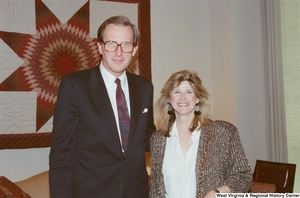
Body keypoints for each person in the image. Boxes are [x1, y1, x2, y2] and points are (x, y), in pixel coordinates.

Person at [49, 15, 156, 198]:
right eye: (112, 43)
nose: (119, 52)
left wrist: (185, 135)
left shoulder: (145, 87)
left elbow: (148, 137)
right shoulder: (74, 85)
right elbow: (61, 153)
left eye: (126, 44)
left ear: (135, 49)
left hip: (136, 192)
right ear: (99, 46)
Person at [149, 70, 252, 198]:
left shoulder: (223, 132)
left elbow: (243, 176)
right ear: (169, 99)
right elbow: (155, 189)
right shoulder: (158, 139)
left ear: (197, 98)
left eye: (188, 92)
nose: (182, 97)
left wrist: (216, 193)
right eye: (176, 92)